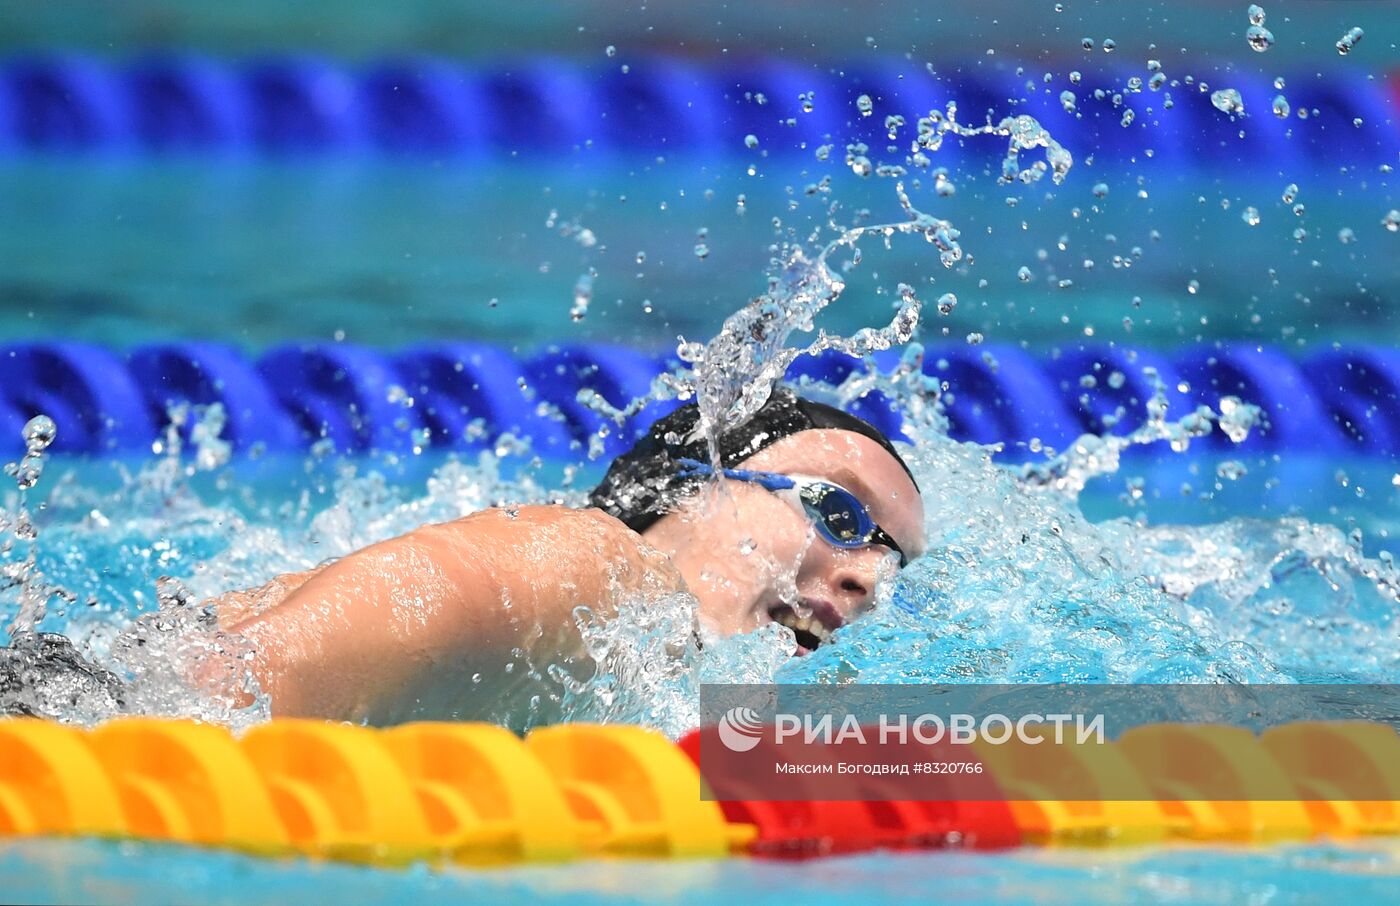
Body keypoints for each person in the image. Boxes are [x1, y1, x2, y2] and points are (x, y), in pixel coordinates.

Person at [217, 387, 926, 723]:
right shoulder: (603, 566)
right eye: (840, 511)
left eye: (894, 562)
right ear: (688, 486)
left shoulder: (659, 695)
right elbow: (230, 684)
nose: (869, 576)